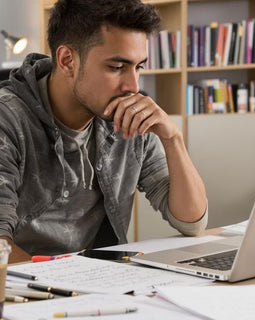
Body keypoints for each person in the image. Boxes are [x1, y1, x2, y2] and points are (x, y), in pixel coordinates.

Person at [0, 0, 207, 263]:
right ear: (67, 61)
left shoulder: (129, 115)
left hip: (106, 283)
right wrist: (69, 283)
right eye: (117, 68)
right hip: (28, 291)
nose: (133, 86)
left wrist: (172, 138)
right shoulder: (8, 120)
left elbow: (191, 222)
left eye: (139, 66)